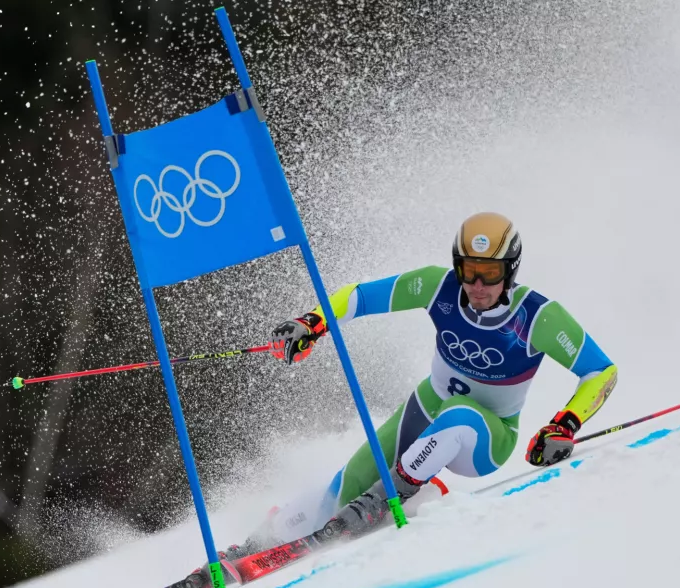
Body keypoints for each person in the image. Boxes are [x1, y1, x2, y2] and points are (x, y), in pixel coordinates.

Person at [241, 212, 618, 551]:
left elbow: (601, 371)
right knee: (355, 475)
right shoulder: (439, 286)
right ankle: (267, 537)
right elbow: (360, 297)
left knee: (459, 413)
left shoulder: (537, 316)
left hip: (488, 438)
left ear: (510, 271)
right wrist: (313, 322)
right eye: (468, 270)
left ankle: (389, 496)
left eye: (490, 273)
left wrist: (564, 425)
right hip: (428, 407)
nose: (477, 285)